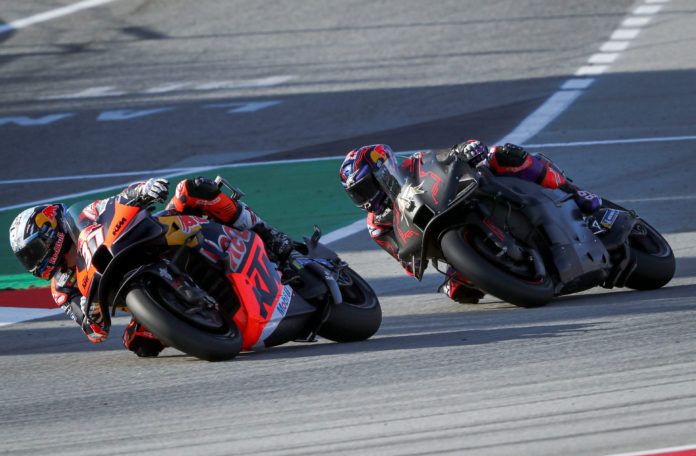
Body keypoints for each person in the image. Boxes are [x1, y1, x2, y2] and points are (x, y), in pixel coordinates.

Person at [8, 177, 293, 357]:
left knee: (191, 190)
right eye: (26, 258)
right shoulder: (61, 288)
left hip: (152, 237)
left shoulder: (84, 215)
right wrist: (89, 312)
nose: (33, 262)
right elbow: (94, 332)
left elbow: (117, 201)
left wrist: (144, 190)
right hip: (138, 291)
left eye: (33, 251)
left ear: (50, 232)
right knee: (139, 344)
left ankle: (270, 235)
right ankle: (194, 319)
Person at [339, 140, 601, 304]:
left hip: (463, 196)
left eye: (366, 187)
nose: (366, 198)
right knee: (459, 292)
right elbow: (406, 261)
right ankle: (505, 270)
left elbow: (444, 158)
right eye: (357, 194)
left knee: (504, 154)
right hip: (444, 242)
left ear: (383, 170)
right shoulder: (377, 225)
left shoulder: (414, 164)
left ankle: (574, 192)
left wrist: (466, 150)